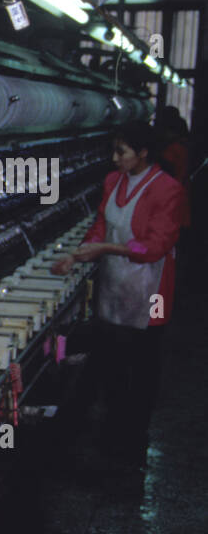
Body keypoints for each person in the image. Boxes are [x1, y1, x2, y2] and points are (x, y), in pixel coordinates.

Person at [52, 122, 187, 468]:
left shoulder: (167, 189)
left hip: (150, 293)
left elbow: (155, 246)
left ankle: (131, 446)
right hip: (114, 287)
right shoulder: (113, 182)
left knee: (141, 371)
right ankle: (110, 436)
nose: (115, 159)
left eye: (121, 152)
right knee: (111, 365)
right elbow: (101, 224)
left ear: (143, 153)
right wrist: (77, 254)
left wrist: (106, 248)